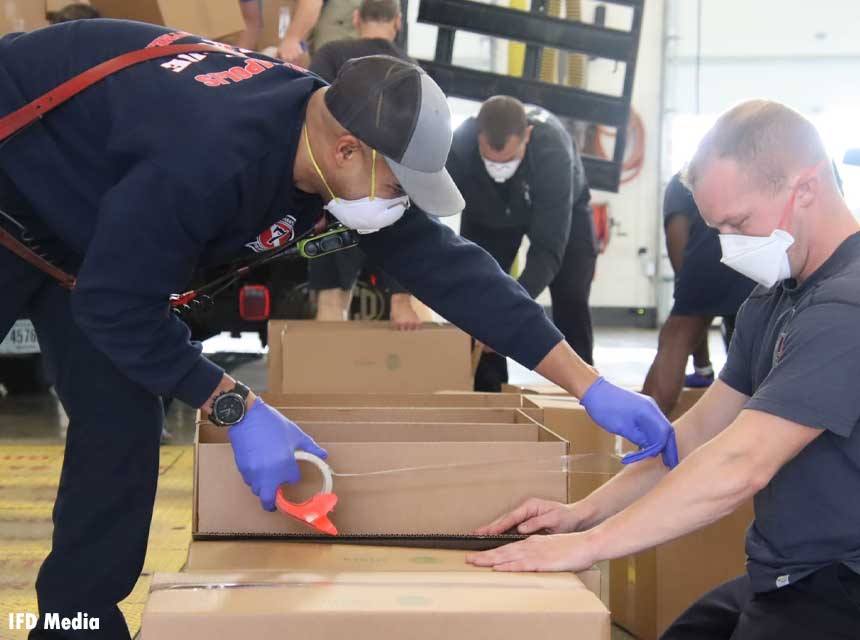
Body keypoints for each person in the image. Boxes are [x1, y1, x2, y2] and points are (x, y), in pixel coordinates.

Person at [0, 20, 677, 639]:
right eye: (401, 186)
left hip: (82, 234)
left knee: (121, 417)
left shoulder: (336, 138)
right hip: (12, 188)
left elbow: (452, 270)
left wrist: (588, 385)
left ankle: (73, 625)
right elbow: (119, 308)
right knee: (128, 347)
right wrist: (235, 406)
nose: (403, 204)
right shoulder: (208, 159)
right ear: (347, 150)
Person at [467, 99, 860, 639]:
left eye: (739, 223)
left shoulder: (846, 308)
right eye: (718, 229)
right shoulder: (772, 301)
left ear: (807, 188)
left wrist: (587, 548)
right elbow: (698, 435)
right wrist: (583, 514)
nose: (730, 248)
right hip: (783, 573)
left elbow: (741, 463)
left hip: (841, 582)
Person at [451, 96, 598, 391]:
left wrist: (511, 311)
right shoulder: (459, 146)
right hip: (491, 213)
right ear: (477, 136)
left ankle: (583, 394)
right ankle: (488, 393)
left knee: (571, 293)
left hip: (560, 209)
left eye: (506, 159)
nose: (498, 167)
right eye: (489, 159)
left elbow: (547, 249)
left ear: (527, 136)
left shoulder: (553, 150)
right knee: (482, 297)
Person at [307, 0, 422, 327]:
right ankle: (423, 376)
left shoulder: (330, 55)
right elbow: (419, 151)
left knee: (331, 303)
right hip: (394, 200)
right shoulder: (413, 70)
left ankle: (333, 378)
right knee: (405, 310)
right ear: (397, 23)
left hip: (337, 194)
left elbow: (310, 120)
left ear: (356, 19)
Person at [641, 174, 754, 415]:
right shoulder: (758, 165)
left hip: (706, 258)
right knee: (754, 348)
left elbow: (677, 237)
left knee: (679, 333)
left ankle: (642, 441)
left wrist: (687, 293)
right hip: (757, 251)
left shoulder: (685, 179)